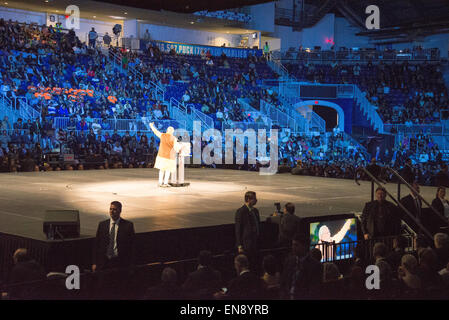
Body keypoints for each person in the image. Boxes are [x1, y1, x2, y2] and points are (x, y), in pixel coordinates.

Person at [92, 201, 135, 271]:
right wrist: (94, 263)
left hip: (120, 263)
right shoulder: (102, 225)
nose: (112, 211)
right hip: (104, 262)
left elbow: (132, 246)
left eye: (114, 209)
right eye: (110, 209)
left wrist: (131, 264)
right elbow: (97, 245)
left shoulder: (128, 226)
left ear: (120, 211)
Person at [279, 233, 322, 299]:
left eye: (296, 245)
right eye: (293, 245)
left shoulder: (315, 266)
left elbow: (313, 291)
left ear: (305, 246)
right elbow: (283, 282)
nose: (293, 248)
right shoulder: (289, 261)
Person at [235, 191, 260, 271]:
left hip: (255, 242)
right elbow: (238, 229)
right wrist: (239, 245)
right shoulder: (241, 211)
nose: (256, 200)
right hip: (247, 243)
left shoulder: (255, 211)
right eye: (254, 198)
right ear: (248, 199)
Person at [149, 123, 179, 187]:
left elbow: (156, 131)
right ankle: (165, 183)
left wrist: (151, 126)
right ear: (172, 132)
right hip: (169, 157)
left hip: (161, 155)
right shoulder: (174, 139)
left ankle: (160, 183)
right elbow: (177, 148)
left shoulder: (162, 135)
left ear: (167, 131)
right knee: (167, 170)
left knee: (162, 170)